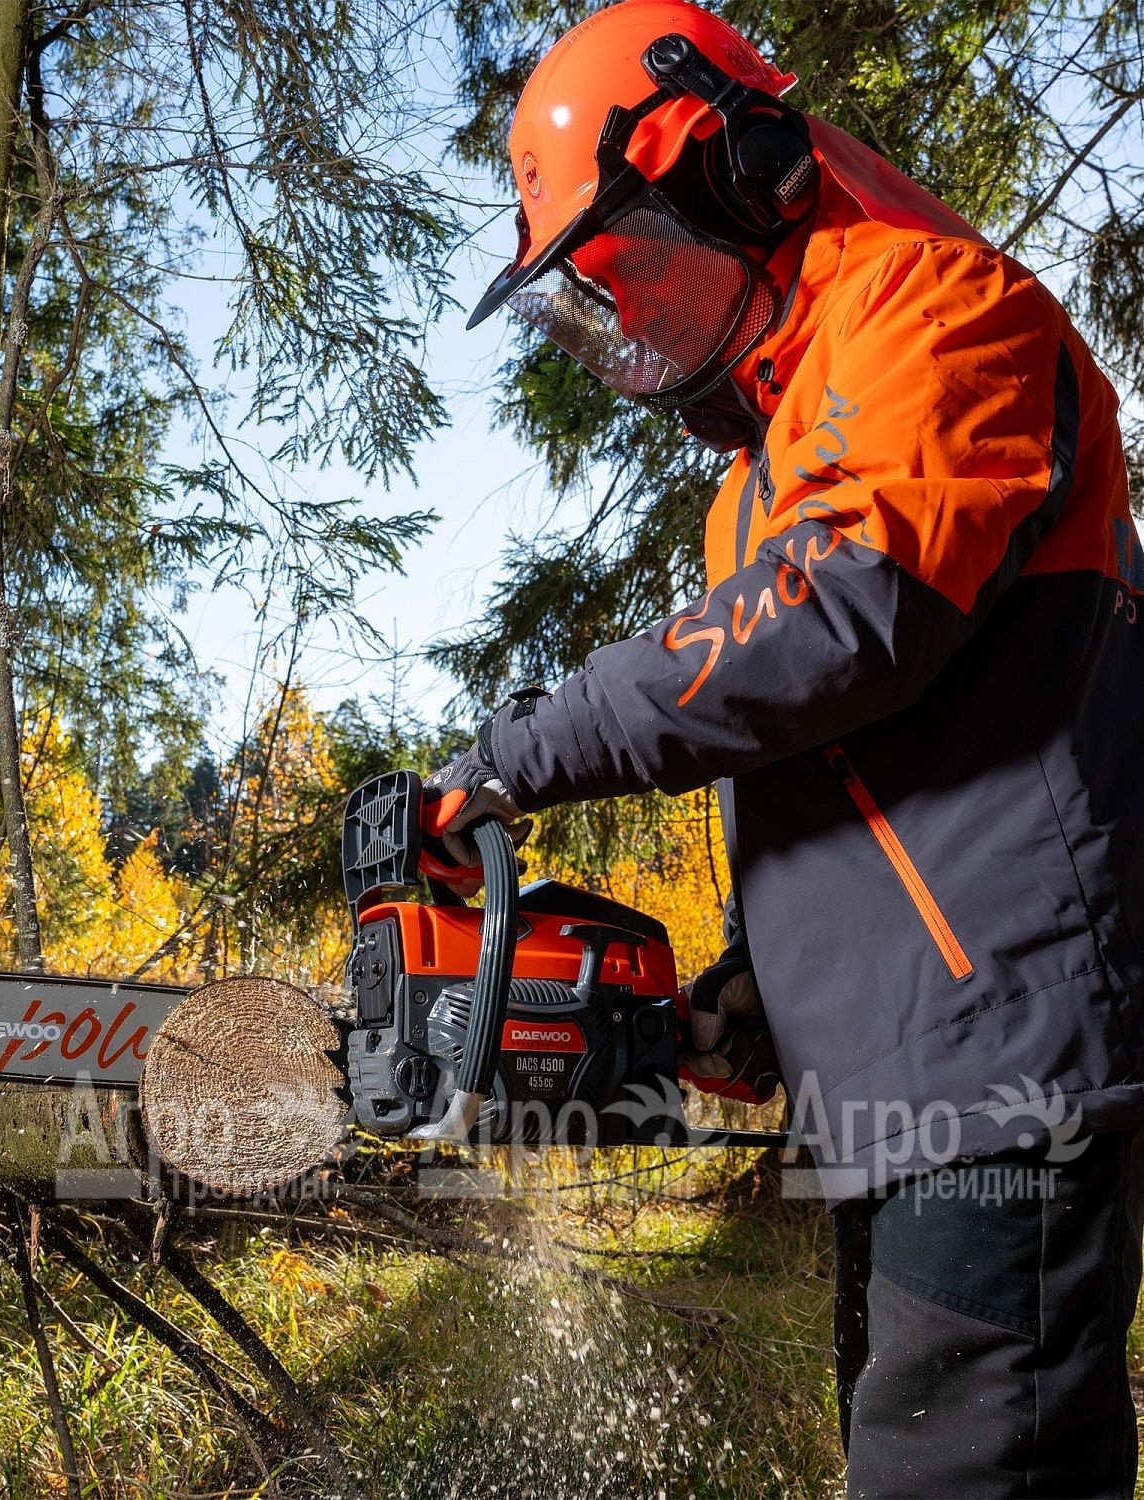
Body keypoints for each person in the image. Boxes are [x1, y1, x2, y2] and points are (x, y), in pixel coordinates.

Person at [421, 2, 1144, 1494]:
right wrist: (753, 990)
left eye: (636, 267)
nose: (632, 320)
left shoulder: (943, 313)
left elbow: (849, 615)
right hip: (898, 1091)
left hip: (1002, 1059)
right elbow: (829, 762)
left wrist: (531, 750)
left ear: (741, 169)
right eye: (598, 298)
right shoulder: (753, 486)